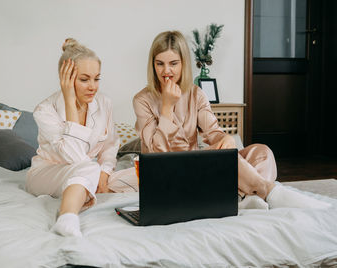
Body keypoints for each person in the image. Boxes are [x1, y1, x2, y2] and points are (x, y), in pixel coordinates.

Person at [133, 31, 331, 210]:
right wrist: (166, 107)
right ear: (153, 64)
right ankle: (266, 190)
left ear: (183, 63)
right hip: (171, 172)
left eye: (173, 63)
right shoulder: (142, 100)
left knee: (262, 152)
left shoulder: (196, 94)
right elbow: (156, 151)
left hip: (198, 165)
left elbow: (214, 133)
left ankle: (245, 196)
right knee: (231, 160)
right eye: (160, 63)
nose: (166, 70)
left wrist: (224, 140)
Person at [26, 38, 119, 237]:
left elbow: (110, 145)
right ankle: (67, 218)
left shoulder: (104, 103)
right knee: (88, 167)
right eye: (84, 79)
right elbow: (75, 156)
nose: (93, 86)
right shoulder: (44, 110)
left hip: (86, 170)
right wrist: (69, 100)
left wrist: (105, 172)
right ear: (65, 78)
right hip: (46, 172)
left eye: (96, 78)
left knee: (137, 178)